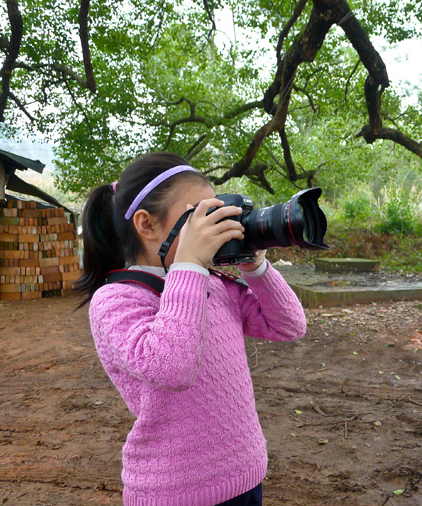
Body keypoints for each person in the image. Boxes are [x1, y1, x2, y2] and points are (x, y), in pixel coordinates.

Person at [75, 152, 307, 506]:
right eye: (197, 217)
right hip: (175, 490)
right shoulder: (116, 299)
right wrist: (190, 264)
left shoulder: (212, 285)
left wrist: (254, 264)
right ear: (147, 225)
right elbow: (172, 367)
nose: (213, 227)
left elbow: (289, 325)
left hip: (244, 474)